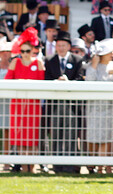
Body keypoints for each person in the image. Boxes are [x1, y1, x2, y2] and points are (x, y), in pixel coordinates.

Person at [45, 30, 84, 173]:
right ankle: (56, 165)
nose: (61, 48)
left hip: (71, 104)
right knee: (56, 133)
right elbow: (46, 79)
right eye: (58, 45)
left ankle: (70, 165)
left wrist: (69, 82)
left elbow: (80, 78)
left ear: (68, 46)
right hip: (55, 104)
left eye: (63, 45)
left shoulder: (77, 60)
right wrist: (56, 82)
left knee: (70, 133)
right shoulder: (50, 60)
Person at [5, 33, 44, 173]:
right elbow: (7, 80)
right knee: (20, 136)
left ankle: (32, 167)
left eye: (28, 51)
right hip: (18, 103)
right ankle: (23, 166)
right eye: (22, 51)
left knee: (32, 136)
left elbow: (42, 83)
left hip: (33, 105)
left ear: (33, 50)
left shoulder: (38, 63)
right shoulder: (15, 62)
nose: (25, 54)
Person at [85, 38, 113, 174]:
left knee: (106, 137)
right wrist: (94, 65)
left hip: (108, 107)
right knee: (92, 137)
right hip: (93, 107)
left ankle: (101, 167)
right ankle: (92, 164)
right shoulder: (91, 66)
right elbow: (89, 81)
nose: (112, 54)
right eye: (109, 52)